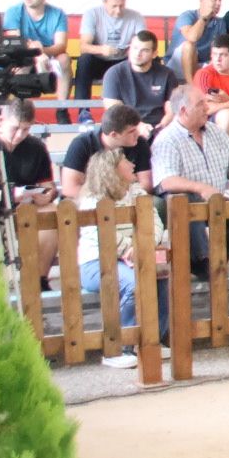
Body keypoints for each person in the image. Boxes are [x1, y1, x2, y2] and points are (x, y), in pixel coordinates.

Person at [75, 146, 169, 368]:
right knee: (132, 284)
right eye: (126, 161)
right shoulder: (93, 200)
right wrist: (130, 249)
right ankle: (118, 348)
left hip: (134, 254)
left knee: (161, 276)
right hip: (96, 262)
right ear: (112, 169)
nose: (132, 164)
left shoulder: (135, 191)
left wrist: (144, 245)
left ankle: (153, 340)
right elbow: (102, 234)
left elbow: (153, 218)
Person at [151, 84, 229, 272]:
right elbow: (166, 181)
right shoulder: (167, 139)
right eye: (201, 104)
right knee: (187, 202)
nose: (207, 108)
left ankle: (215, 263)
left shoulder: (213, 130)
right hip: (184, 200)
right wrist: (200, 188)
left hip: (215, 197)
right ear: (184, 111)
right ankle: (202, 261)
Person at [0, 99, 58, 280]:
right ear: (1, 121)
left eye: (27, 129)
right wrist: (7, 195)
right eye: (15, 128)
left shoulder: (36, 147)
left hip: (25, 207)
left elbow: (49, 187)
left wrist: (47, 195)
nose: (20, 135)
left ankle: (39, 278)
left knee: (52, 212)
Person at [60, 103, 155, 200]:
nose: (138, 133)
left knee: (156, 203)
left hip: (128, 198)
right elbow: (69, 188)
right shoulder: (82, 144)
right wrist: (105, 201)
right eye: (132, 131)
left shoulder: (139, 143)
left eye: (137, 129)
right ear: (114, 135)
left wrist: (123, 199)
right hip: (90, 202)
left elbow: (146, 184)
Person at [2, 0, 70, 108]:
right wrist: (36, 53)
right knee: (17, 68)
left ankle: (62, 109)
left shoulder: (58, 14)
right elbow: (15, 43)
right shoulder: (13, 12)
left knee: (65, 59)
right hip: (24, 56)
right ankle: (20, 111)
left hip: (48, 55)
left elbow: (61, 46)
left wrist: (42, 51)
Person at [76, 0, 147, 105]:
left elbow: (144, 41)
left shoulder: (136, 16)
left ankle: (143, 106)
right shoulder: (92, 14)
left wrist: (132, 50)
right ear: (104, 3)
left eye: (122, 6)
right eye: (114, 6)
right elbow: (83, 46)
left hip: (124, 61)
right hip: (99, 61)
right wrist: (101, 50)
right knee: (84, 60)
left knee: (147, 59)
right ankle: (83, 110)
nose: (118, 10)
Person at [100, 30, 178, 137]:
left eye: (144, 50)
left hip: (160, 128)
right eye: (135, 48)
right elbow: (114, 110)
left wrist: (162, 126)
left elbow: (172, 109)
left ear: (154, 53)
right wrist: (138, 126)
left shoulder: (167, 74)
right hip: (126, 127)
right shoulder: (114, 73)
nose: (138, 54)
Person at [167, 0, 226, 82]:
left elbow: (219, 48)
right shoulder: (187, 15)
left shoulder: (220, 23)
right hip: (177, 64)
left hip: (200, 64)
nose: (218, 3)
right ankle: (192, 86)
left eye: (220, 0)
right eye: (214, 0)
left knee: (222, 54)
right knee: (189, 45)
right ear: (202, 1)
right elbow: (192, 37)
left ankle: (201, 83)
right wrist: (203, 18)